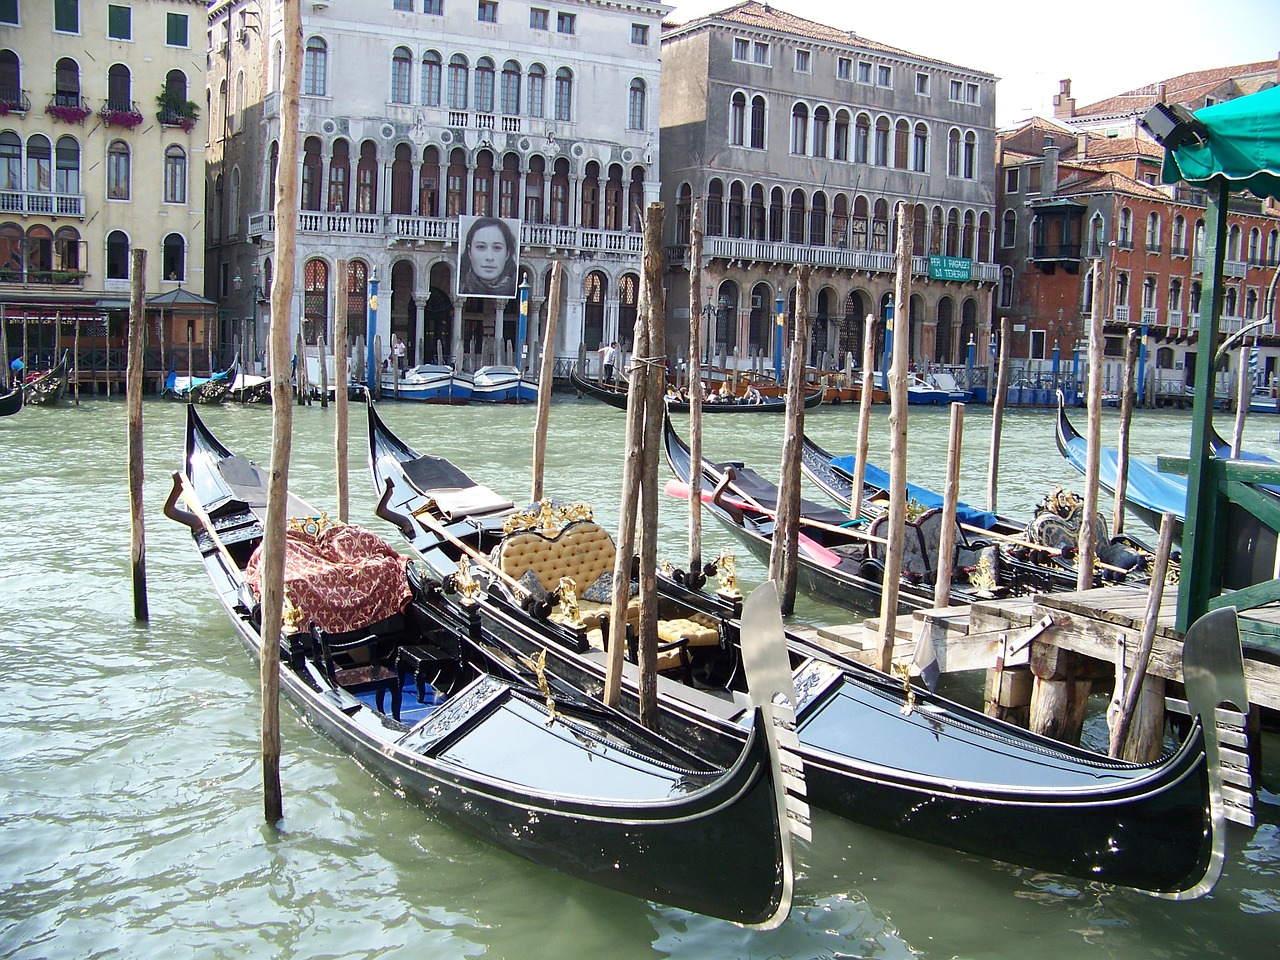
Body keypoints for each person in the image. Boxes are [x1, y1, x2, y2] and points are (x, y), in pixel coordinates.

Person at [458, 216, 518, 298]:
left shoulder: (516, 285)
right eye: (481, 247)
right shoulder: (461, 285)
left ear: (507, 253)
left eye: (497, 248)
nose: (489, 257)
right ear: (469, 251)